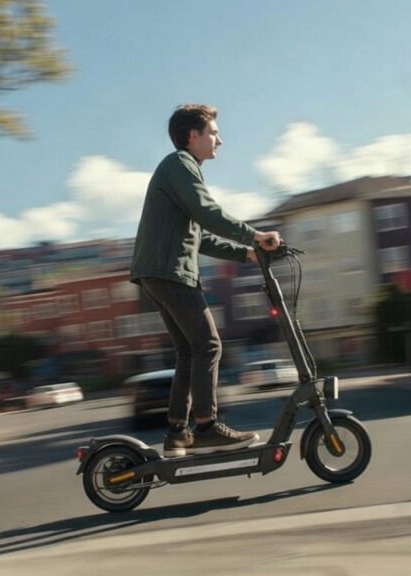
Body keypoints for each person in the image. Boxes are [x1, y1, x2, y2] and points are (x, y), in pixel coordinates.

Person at [130, 104, 282, 457]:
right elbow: (209, 213)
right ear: (192, 135)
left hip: (159, 272)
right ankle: (207, 426)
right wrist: (255, 235)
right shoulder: (180, 166)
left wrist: (246, 253)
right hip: (170, 272)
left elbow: (202, 236)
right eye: (213, 133)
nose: (220, 140)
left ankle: (177, 432)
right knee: (209, 345)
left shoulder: (182, 172)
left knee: (188, 351)